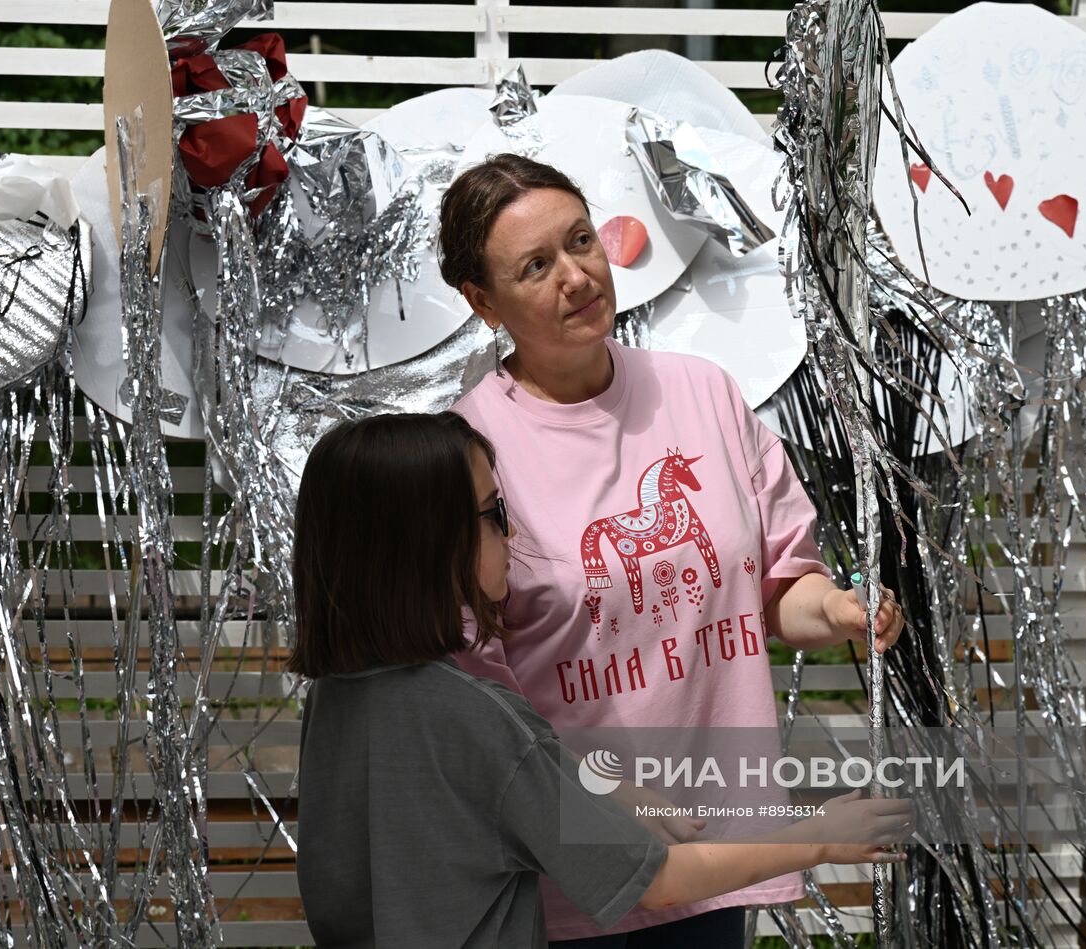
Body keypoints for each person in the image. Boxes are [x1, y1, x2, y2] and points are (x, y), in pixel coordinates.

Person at [439, 154, 907, 946]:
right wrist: (602, 792)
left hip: (725, 843)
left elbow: (777, 585)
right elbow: (472, 698)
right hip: (578, 870)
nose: (577, 276)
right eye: (536, 266)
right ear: (484, 302)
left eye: (582, 240)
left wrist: (836, 607)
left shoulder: (705, 393)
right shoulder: (468, 451)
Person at [289, 412, 914, 947]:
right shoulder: (476, 716)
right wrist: (818, 839)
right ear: (422, 543)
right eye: (493, 513)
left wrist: (614, 797)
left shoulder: (337, 700)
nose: (512, 534)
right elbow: (656, 880)